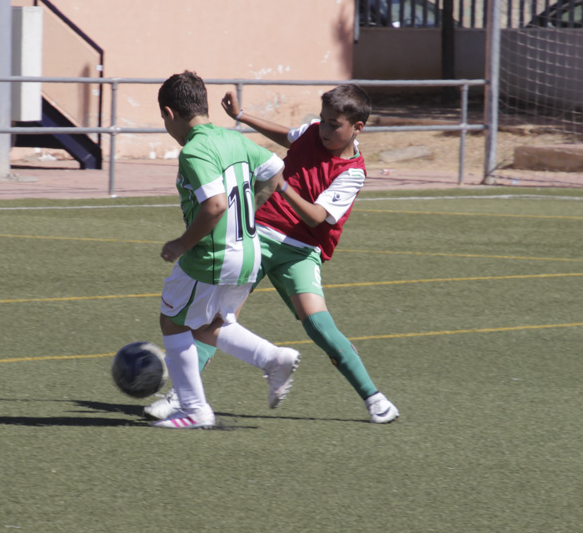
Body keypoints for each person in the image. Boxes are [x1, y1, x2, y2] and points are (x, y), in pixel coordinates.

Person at [147, 84, 399, 424]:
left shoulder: (352, 172)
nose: (323, 129)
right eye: (322, 120)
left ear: (357, 128)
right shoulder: (312, 133)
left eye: (333, 124)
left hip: (301, 250)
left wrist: (282, 185)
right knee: (216, 319)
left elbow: (315, 217)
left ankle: (374, 397)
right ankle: (182, 396)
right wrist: (241, 116)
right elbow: (288, 136)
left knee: (319, 326)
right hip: (259, 237)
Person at [152, 71, 301, 429]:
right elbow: (277, 170)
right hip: (249, 252)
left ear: (170, 114)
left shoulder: (195, 149)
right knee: (209, 324)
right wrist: (249, 207)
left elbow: (215, 205)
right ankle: (273, 358)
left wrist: (181, 244)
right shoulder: (232, 140)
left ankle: (193, 409)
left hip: (213, 256)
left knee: (172, 321)